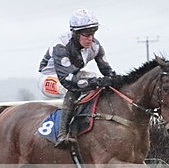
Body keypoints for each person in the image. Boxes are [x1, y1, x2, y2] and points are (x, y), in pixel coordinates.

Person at [38, 9, 116, 148]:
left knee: (96, 79)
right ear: (75, 33)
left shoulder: (95, 46)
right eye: (86, 35)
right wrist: (95, 83)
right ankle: (62, 133)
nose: (90, 39)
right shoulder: (61, 46)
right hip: (51, 79)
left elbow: (107, 72)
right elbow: (68, 81)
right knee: (76, 88)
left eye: (92, 34)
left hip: (72, 75)